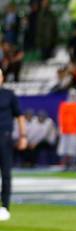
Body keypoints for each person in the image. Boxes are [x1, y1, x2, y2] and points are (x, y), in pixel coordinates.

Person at [0, 68, 27, 221]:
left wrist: (23, 136)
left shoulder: (9, 95)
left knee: (6, 173)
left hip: (4, 137)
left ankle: (5, 206)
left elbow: (20, 117)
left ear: (2, 78)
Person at [57, 88, 76, 170]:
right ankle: (65, 165)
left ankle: (73, 164)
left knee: (74, 149)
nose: (73, 97)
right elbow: (60, 118)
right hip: (65, 131)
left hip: (74, 131)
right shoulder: (63, 106)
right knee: (64, 149)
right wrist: (60, 129)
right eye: (72, 95)